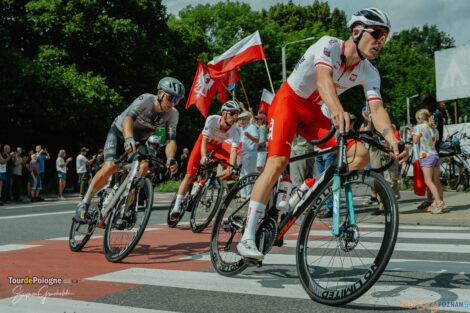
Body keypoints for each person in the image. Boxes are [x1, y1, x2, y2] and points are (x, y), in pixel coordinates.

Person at [236, 8, 408, 260]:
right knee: (277, 163)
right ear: (357, 31)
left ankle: (303, 188)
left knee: (359, 155)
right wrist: (337, 110)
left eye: (386, 37)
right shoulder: (328, 44)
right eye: (378, 33)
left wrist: (392, 138)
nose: (381, 41)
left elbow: (377, 107)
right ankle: (247, 237)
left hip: (313, 112)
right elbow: (323, 80)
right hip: (288, 102)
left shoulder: (369, 71)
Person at [74, 77, 184, 223]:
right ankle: (84, 203)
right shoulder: (146, 99)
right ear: (159, 93)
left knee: (143, 168)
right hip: (120, 132)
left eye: (177, 100)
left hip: (140, 140)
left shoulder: (173, 114)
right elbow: (128, 120)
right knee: (111, 166)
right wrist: (128, 139)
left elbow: (170, 140)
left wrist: (170, 158)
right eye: (171, 97)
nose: (173, 103)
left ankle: (124, 210)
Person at [170, 100, 241, 219]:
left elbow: (233, 151)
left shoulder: (236, 130)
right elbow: (204, 140)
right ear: (224, 114)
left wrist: (232, 168)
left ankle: (205, 183)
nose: (235, 117)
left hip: (217, 147)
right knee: (189, 175)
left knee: (233, 165)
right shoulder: (212, 119)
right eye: (232, 114)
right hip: (203, 144)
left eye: (237, 114)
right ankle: (176, 206)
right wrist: (203, 157)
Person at [413, 109, 446, 214]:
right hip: (435, 155)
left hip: (426, 156)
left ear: (420, 118)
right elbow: (434, 140)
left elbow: (415, 140)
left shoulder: (418, 127)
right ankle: (439, 201)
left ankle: (438, 202)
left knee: (428, 181)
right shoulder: (434, 128)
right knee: (436, 180)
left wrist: (412, 132)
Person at [237, 111, 259, 201]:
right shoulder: (241, 129)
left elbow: (257, 139)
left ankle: (249, 196)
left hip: (250, 154)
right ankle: (244, 196)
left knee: (248, 176)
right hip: (242, 155)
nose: (241, 121)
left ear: (248, 120)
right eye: (240, 119)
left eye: (244, 119)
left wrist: (249, 135)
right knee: (242, 176)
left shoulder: (252, 127)